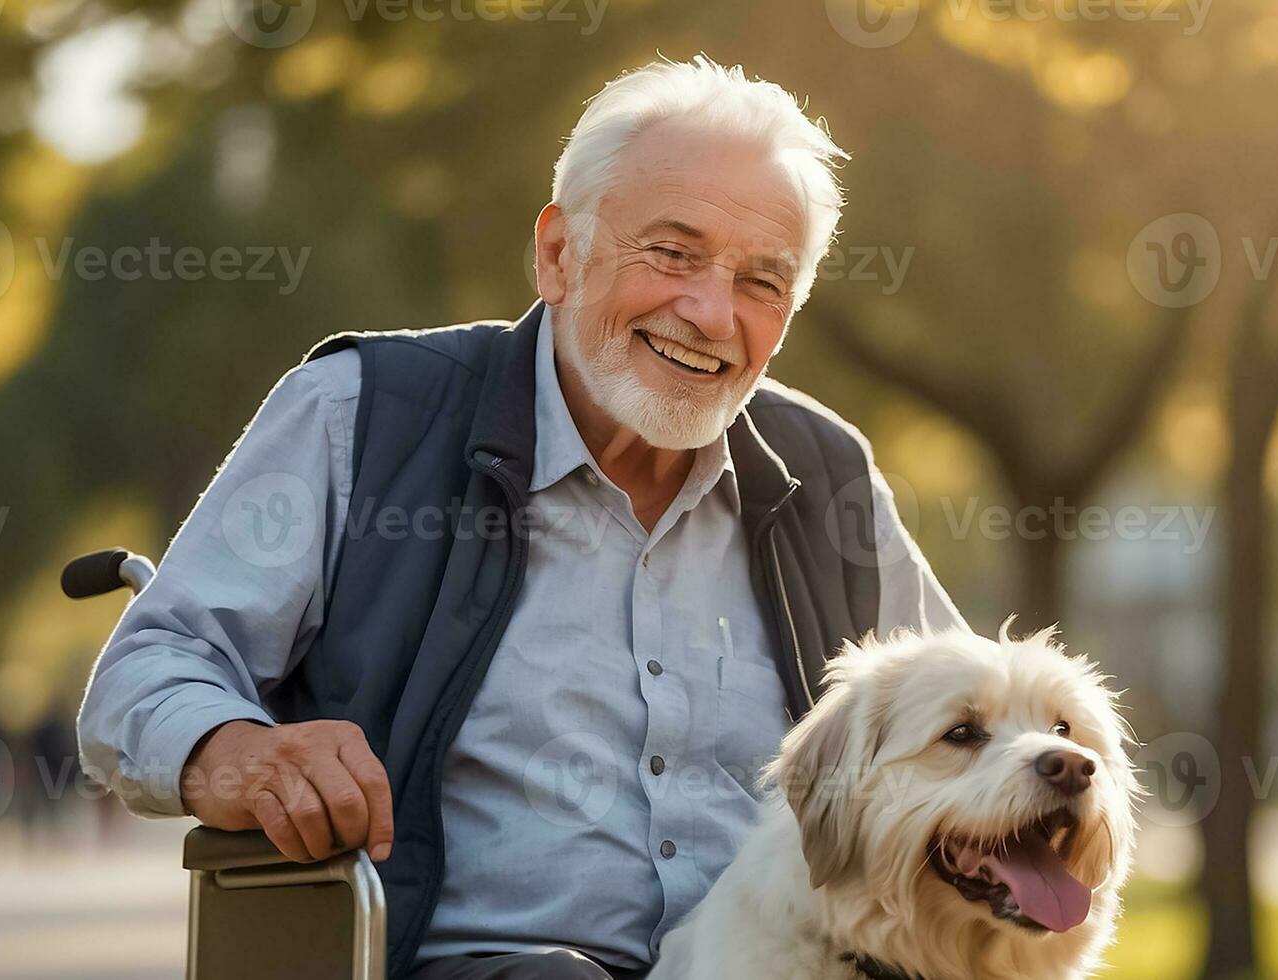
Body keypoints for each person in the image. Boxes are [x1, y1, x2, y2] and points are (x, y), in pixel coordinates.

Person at [76, 56, 961, 980]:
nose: (709, 313)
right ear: (556, 254)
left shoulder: (825, 472)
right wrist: (239, 751)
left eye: (761, 282)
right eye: (672, 253)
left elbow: (971, 720)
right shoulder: (361, 415)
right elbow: (148, 669)